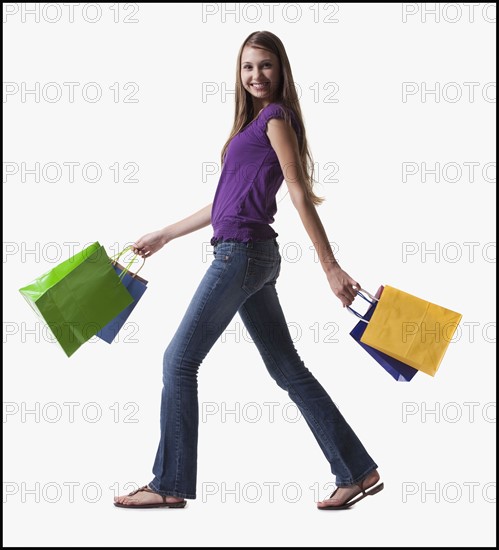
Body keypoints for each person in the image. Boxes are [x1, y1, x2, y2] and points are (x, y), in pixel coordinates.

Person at [114, 30, 383, 511]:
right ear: (238, 74)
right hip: (247, 252)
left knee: (178, 361)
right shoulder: (249, 126)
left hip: (241, 255)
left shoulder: (276, 118)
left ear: (281, 70)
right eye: (247, 67)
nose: (256, 75)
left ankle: (169, 483)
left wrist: (331, 267)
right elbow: (222, 204)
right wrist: (165, 234)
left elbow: (299, 192)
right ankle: (358, 471)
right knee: (288, 370)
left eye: (265, 65)